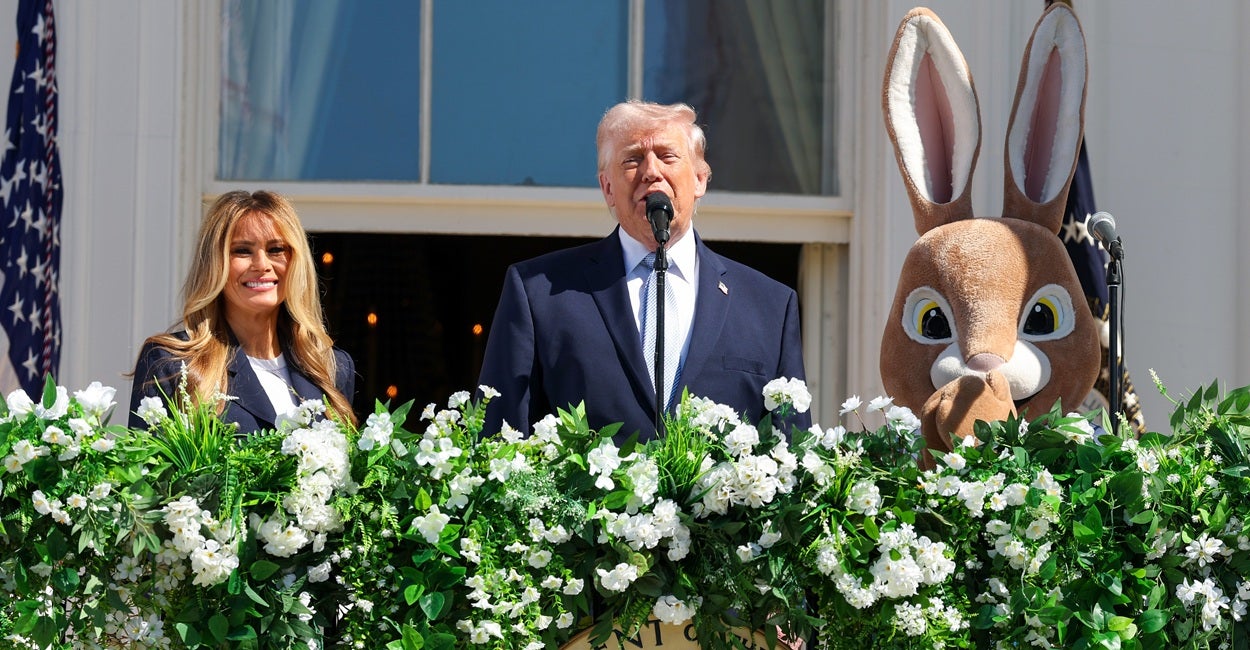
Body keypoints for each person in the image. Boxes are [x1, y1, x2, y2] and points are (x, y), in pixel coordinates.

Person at [477, 100, 809, 440]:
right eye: (632, 159)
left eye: (667, 156)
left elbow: (792, 452)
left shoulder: (769, 306)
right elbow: (498, 441)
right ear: (608, 188)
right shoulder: (540, 292)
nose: (651, 171)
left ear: (700, 180)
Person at [128, 190, 357, 432]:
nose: (262, 265)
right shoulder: (171, 363)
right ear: (214, 264)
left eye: (276, 249)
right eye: (243, 251)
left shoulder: (331, 367)